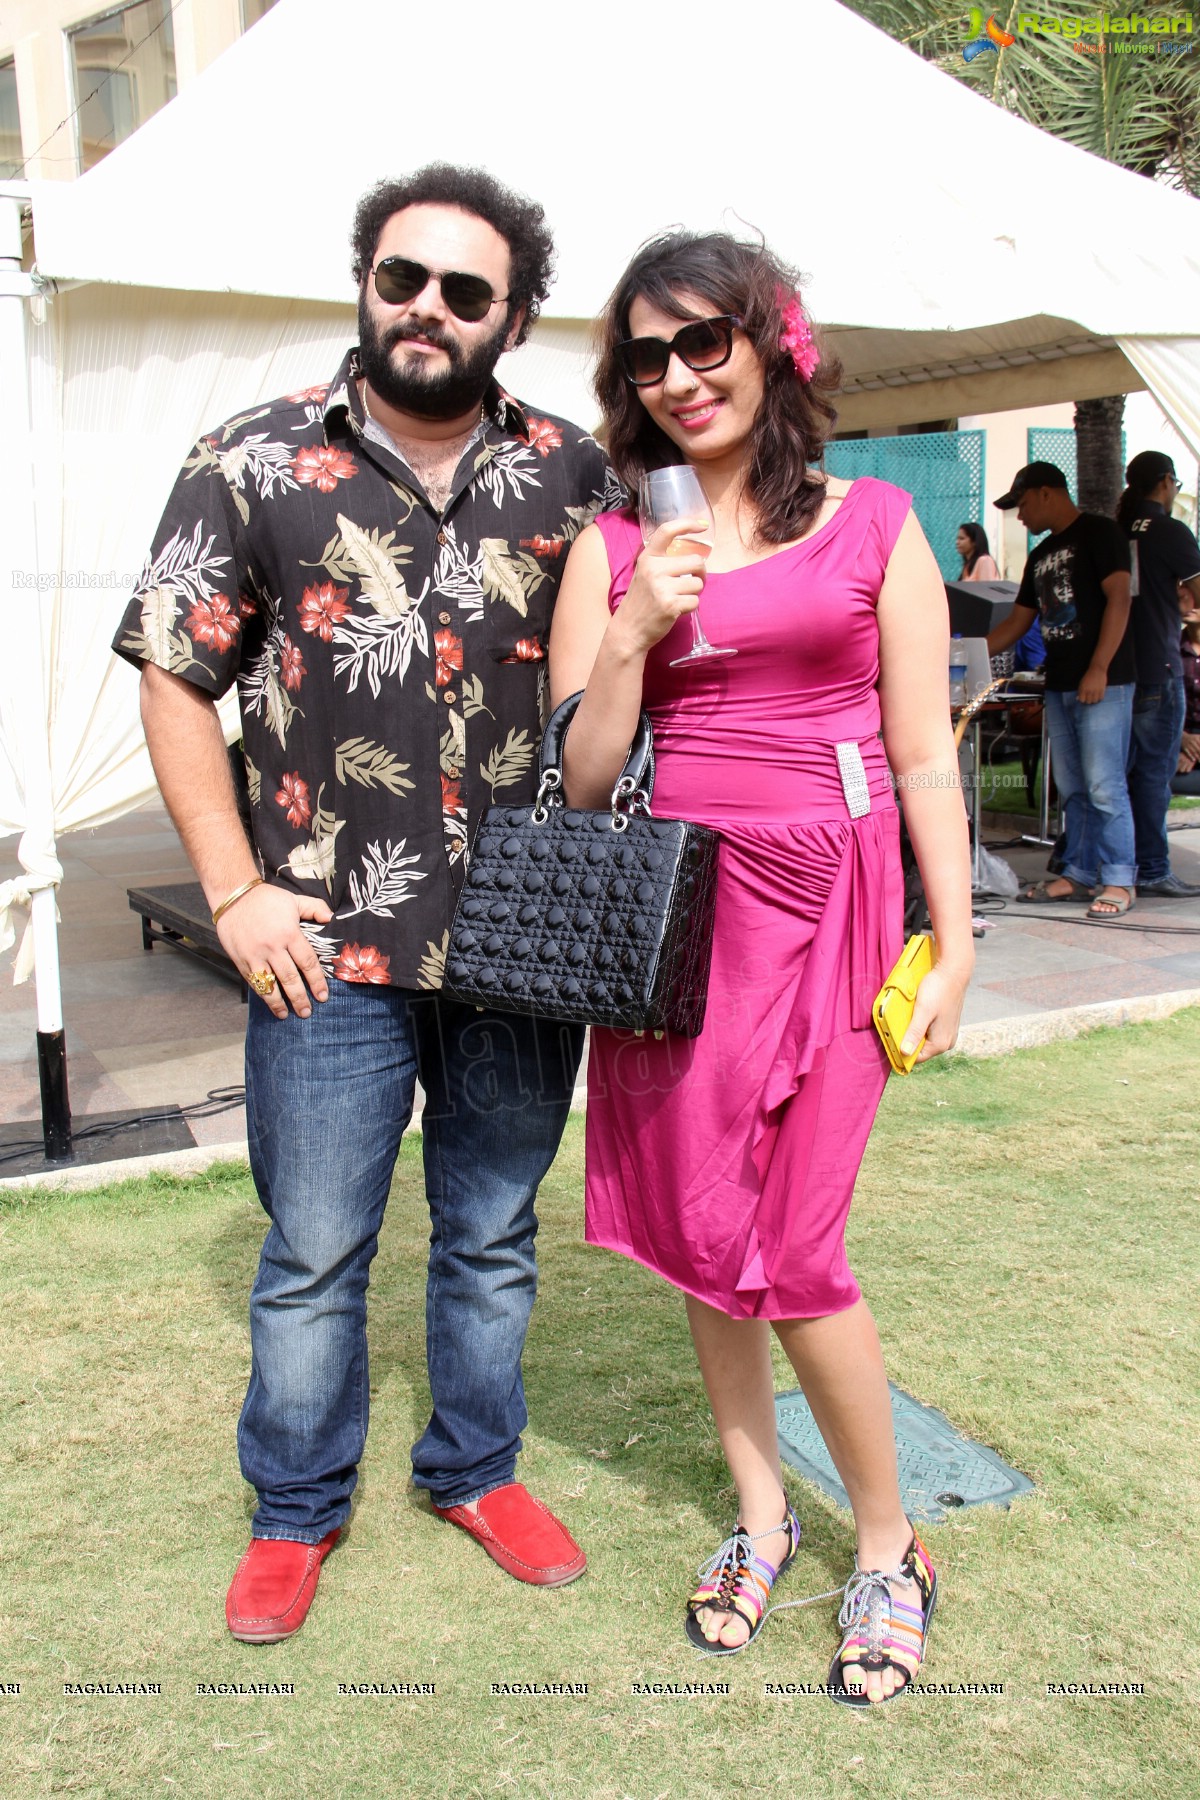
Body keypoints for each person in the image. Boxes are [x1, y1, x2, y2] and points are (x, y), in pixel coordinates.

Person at [113, 163, 619, 1643]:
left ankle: (476, 1470)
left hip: (523, 936)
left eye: (466, 291)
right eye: (404, 277)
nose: (428, 308)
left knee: (490, 1233)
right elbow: (172, 673)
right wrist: (231, 890)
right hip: (321, 942)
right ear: (366, 279)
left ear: (511, 316)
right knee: (316, 1243)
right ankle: (292, 1510)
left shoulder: (573, 475)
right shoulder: (254, 459)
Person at [549, 232, 973, 1707]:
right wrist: (635, 633)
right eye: (646, 359)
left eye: (704, 343)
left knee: (797, 1250)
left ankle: (887, 1541)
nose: (678, 379)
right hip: (686, 920)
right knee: (707, 1230)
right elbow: (585, 782)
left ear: (771, 345)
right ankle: (760, 1517)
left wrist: (958, 935)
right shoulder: (613, 552)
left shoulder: (871, 523)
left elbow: (923, 747)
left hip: (844, 898)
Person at [986, 462, 1136, 917]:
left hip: (1103, 682)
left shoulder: (1101, 533)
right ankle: (1078, 873)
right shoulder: (1041, 554)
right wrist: (954, 652)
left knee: (1104, 785)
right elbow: (1017, 622)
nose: (1021, 516)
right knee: (1072, 788)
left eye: (1024, 504)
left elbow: (1120, 597)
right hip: (1060, 685)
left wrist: (1099, 667)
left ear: (1047, 493)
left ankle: (1120, 879)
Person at [1116, 450, 1200, 896]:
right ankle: (1152, 867)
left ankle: (1121, 866)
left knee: (1120, 775)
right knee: (1152, 776)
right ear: (1165, 482)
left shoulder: (1117, 531)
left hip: (1119, 671)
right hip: (1159, 666)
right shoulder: (1170, 532)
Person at [1172, 612, 1200, 797]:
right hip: (1178, 741)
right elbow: (1159, 705)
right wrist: (1181, 740)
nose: (1183, 597)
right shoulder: (1170, 648)